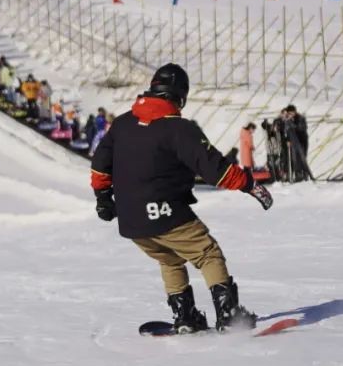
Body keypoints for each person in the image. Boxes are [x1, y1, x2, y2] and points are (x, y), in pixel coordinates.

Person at [91, 64, 273, 334]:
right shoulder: (178, 128)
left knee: (169, 259)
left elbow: (100, 164)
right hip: (164, 212)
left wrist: (103, 197)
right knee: (208, 254)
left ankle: (185, 317)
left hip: (131, 220)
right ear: (179, 96)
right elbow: (215, 169)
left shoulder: (123, 123)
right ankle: (229, 316)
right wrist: (248, 184)